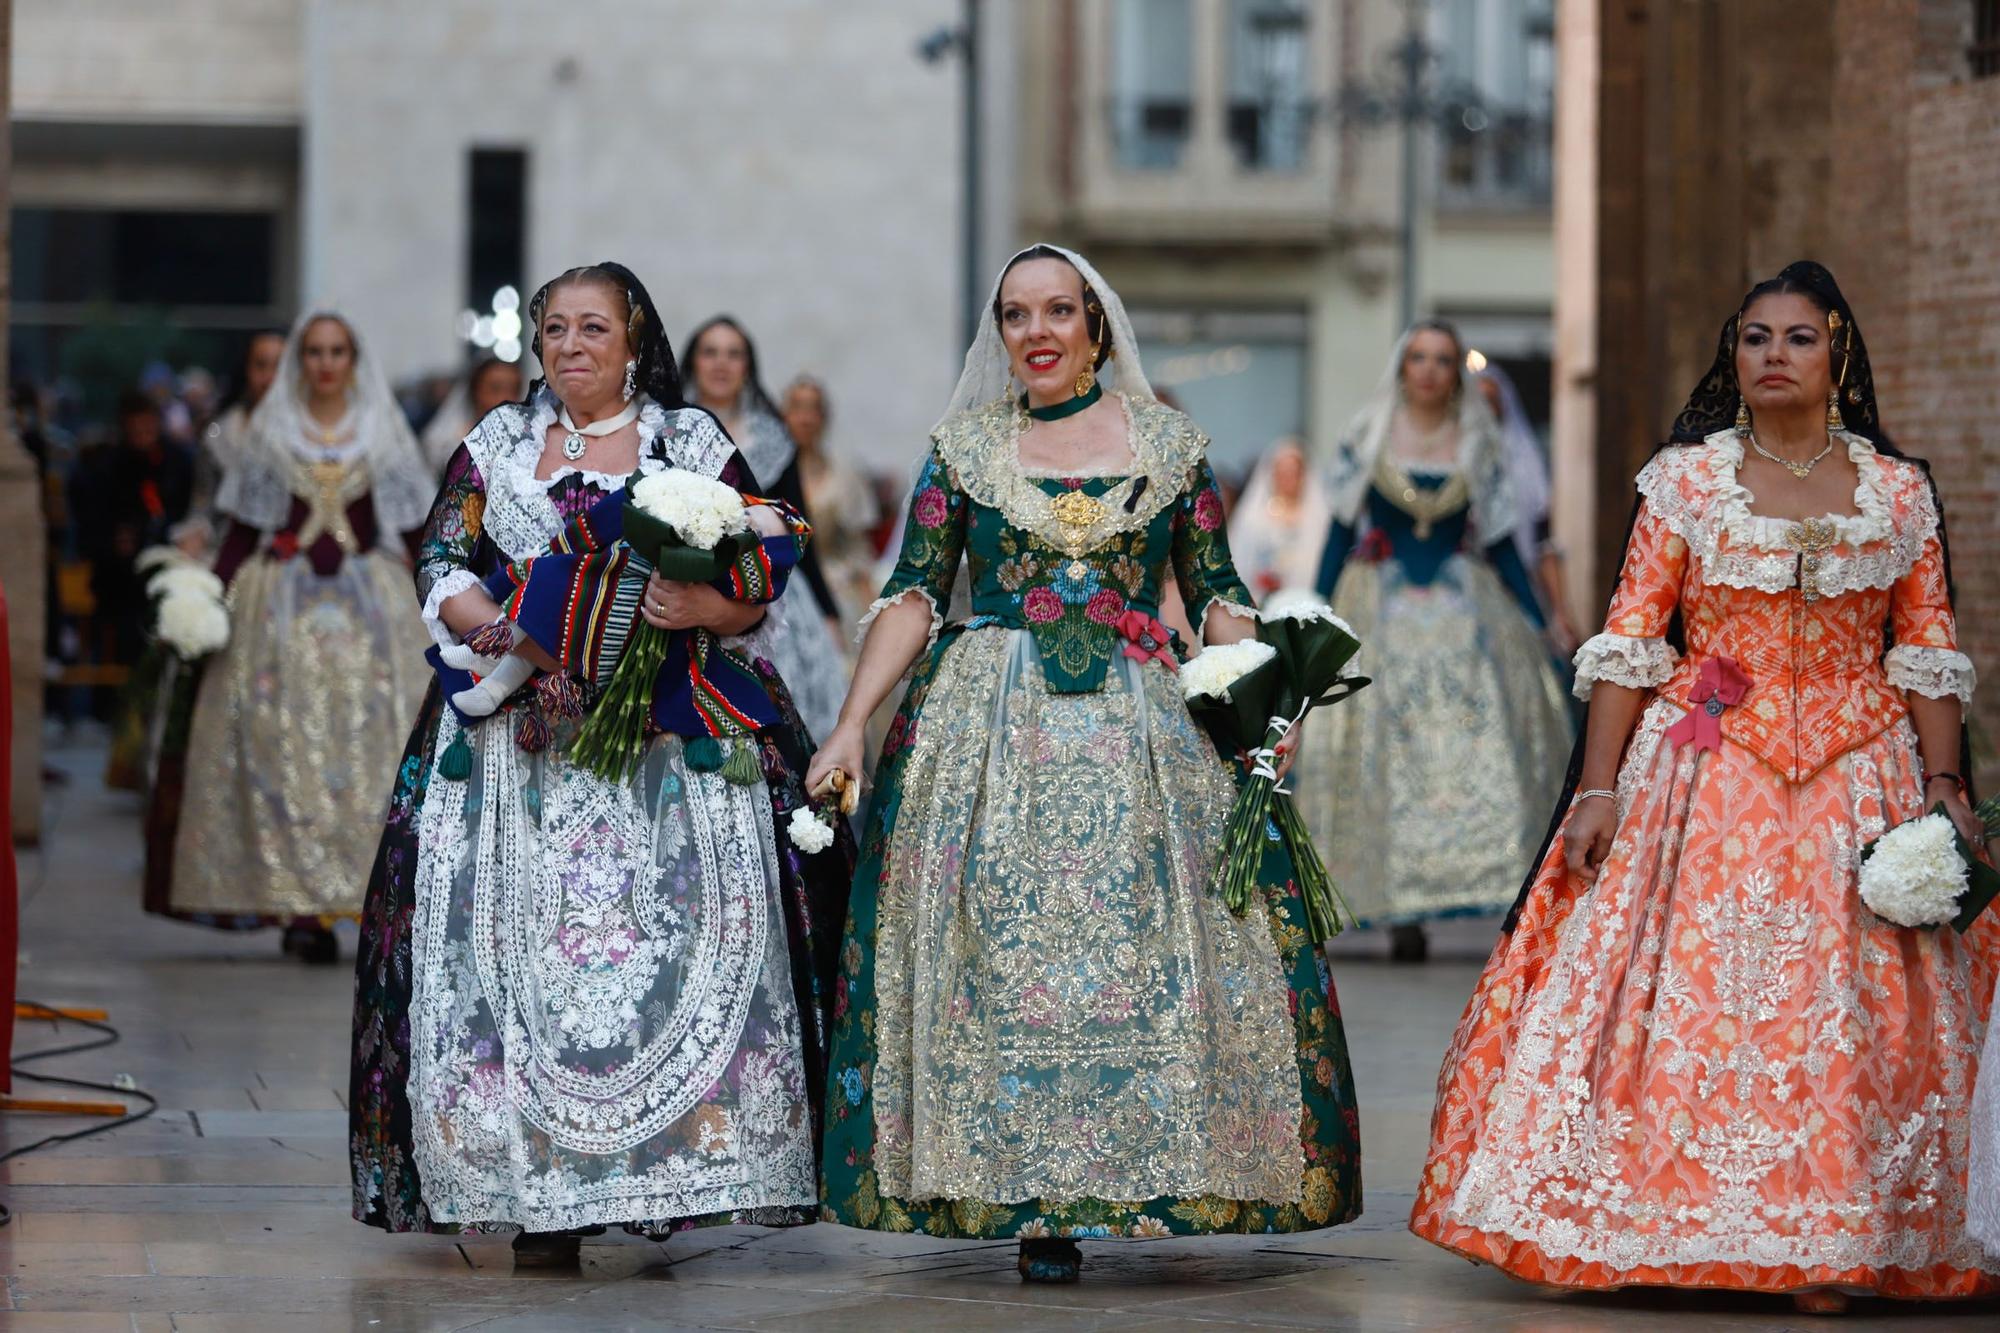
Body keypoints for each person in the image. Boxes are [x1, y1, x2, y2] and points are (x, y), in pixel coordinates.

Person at [1411, 262, 1998, 1310]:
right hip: (1702, 767)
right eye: (1755, 338)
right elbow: (1632, 640)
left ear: (1837, 354)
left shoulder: (1896, 490)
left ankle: (1828, 1239)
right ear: (1733, 355)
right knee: (1687, 1000)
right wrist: (1596, 794)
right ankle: (1647, 1224)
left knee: (1846, 1013)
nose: (1772, 356)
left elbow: (1925, 648)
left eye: (1797, 338)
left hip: (1860, 773)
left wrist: (1943, 783)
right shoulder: (1684, 481)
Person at [808, 244, 1361, 1283]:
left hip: (1140, 721)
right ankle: (1027, 1198)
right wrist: (849, 722)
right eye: (1015, 315)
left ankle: (1152, 1166)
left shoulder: (1169, 445)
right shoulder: (963, 447)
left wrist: (1246, 693)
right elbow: (916, 594)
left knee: (1147, 944)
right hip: (985, 723)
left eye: (1057, 311)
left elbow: (1212, 592)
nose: (1037, 333)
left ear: (1096, 327)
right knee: (998, 946)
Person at [349, 263, 855, 1269]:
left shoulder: (688, 441)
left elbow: (761, 558)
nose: (569, 346)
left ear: (632, 343)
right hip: (515, 739)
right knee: (516, 961)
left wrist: (703, 609)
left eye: (592, 329)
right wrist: (494, 626)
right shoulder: (495, 442)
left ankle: (660, 1169)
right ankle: (533, 1187)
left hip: (663, 735)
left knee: (658, 957)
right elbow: (442, 557)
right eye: (554, 330)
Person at [157, 311, 434, 962]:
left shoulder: (383, 432)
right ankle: (302, 906)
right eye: (315, 351)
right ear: (299, 361)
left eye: (338, 350)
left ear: (354, 359)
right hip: (282, 605)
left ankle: (370, 895)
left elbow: (420, 530)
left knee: (374, 748)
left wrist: (449, 600)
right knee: (283, 747)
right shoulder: (271, 433)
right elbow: (245, 530)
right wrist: (206, 605)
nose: (327, 363)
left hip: (371, 609)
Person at [1292, 323, 1572, 958]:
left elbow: (1501, 545)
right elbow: (1339, 533)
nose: (1428, 371)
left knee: (1472, 740)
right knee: (1379, 743)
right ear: (1401, 368)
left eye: (1442, 360)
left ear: (1456, 373)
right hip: (1378, 604)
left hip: (1464, 606)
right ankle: (1393, 903)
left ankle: (1482, 882)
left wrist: (1539, 619)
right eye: (1417, 358)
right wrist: (1313, 614)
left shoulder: (1479, 442)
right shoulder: (1367, 435)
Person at [681, 318, 848, 742]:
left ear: (748, 366)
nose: (721, 363)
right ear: (692, 362)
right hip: (684, 590)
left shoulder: (775, 439)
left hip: (773, 598)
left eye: (733, 353)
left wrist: (829, 616)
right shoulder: (667, 429)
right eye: (710, 351)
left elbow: (800, 531)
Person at [1475, 361, 1583, 657]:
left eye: (1492, 400)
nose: (1486, 408)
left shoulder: (1526, 467)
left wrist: (1560, 612)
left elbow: (1542, 543)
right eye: (1478, 400)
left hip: (1516, 589)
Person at [782, 375, 881, 626]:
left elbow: (859, 550)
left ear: (824, 417)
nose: (805, 419)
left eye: (813, 408)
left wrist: (873, 612)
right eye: (797, 408)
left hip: (836, 588)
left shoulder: (843, 475)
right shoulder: (770, 475)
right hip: (782, 590)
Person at [1228, 435, 1331, 599]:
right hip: (1260, 598)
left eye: (1293, 472)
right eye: (1281, 471)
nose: (1287, 479)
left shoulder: (1318, 518)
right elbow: (1240, 559)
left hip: (1305, 598)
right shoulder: (1254, 517)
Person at [419, 356, 526, 476]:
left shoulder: (529, 442)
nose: (506, 398)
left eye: (514, 390)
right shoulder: (447, 444)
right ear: (475, 392)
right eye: (495, 389)